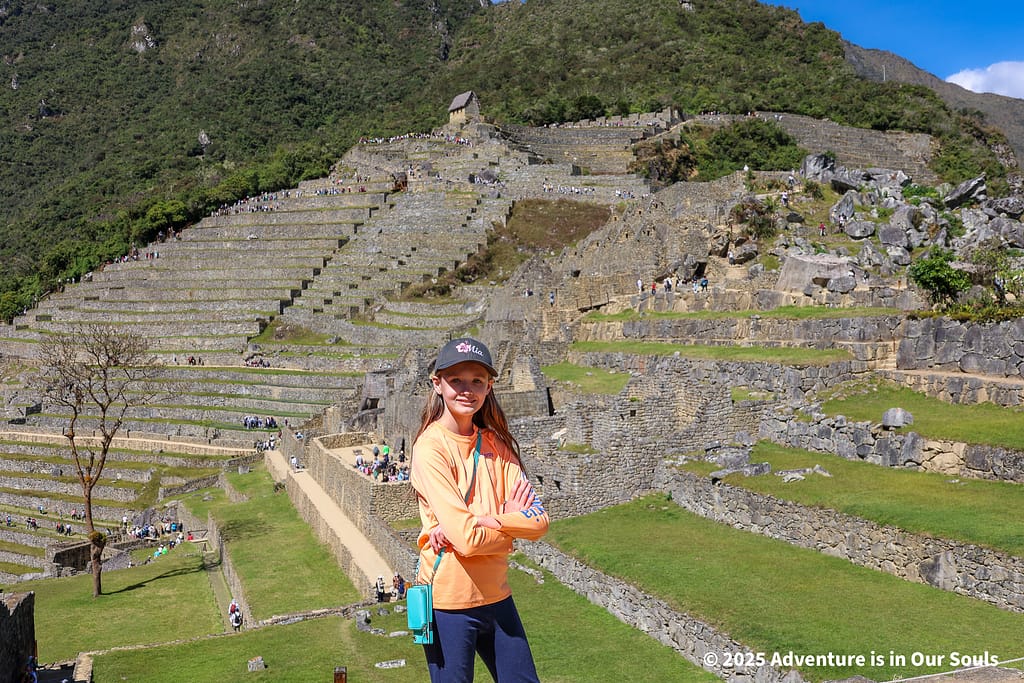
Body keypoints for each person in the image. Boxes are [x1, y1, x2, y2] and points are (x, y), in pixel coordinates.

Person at [411, 337, 549, 683]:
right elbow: (468, 538)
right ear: (437, 384)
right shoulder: (431, 449)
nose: (466, 389)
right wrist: (509, 530)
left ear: (489, 386)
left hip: (497, 595)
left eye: (476, 380)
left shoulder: (497, 445)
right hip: (448, 603)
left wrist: (488, 521)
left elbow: (540, 521)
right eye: (456, 379)